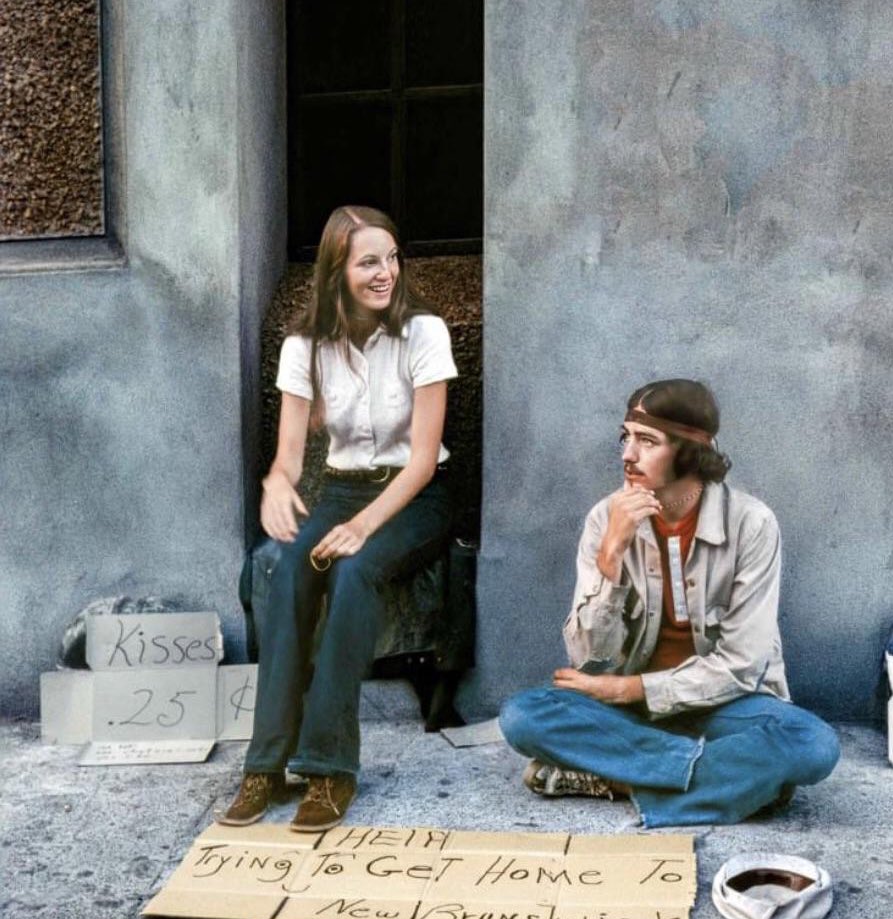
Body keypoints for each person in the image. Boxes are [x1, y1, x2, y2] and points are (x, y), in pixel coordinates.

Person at [499, 379, 839, 827]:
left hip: (722, 707)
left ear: (690, 450)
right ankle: (735, 784)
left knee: (812, 744)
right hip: (630, 715)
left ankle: (622, 780)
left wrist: (628, 689)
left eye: (646, 441)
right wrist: (610, 558)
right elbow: (589, 658)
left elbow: (742, 664)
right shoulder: (606, 518)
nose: (627, 455)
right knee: (522, 716)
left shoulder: (752, 524)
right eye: (626, 438)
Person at [221, 205, 457, 831]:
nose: (387, 273)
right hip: (343, 491)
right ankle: (265, 765)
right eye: (369, 262)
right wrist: (276, 484)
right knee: (288, 570)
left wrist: (365, 528)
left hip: (416, 496)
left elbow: (425, 462)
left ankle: (329, 770)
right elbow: (292, 453)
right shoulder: (305, 346)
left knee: (355, 573)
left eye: (392, 258)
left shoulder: (425, 333)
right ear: (337, 271)